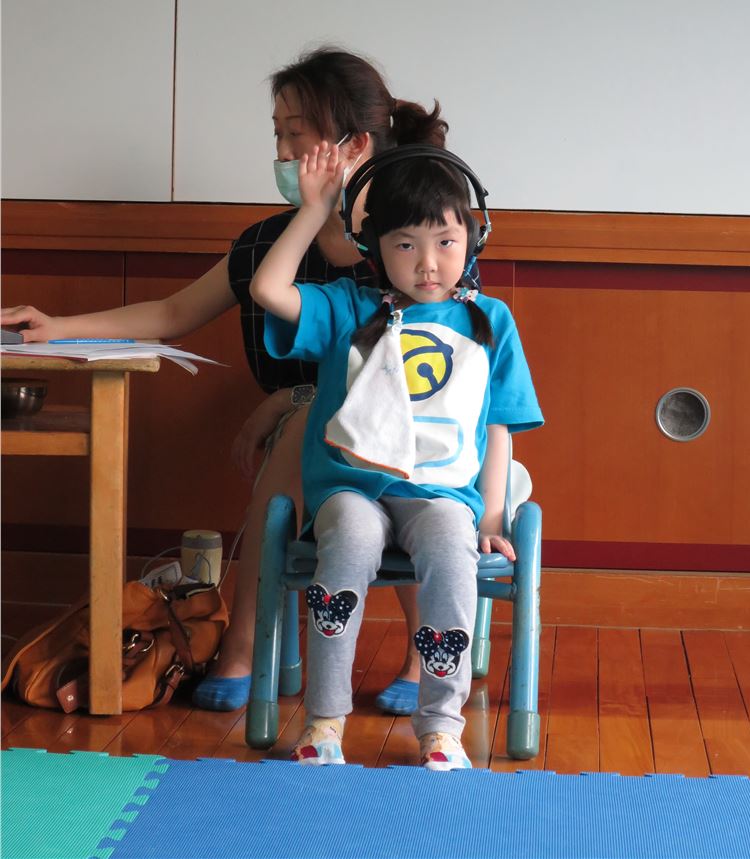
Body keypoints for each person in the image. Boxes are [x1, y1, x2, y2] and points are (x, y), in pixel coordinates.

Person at [0, 46, 453, 715]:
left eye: (296, 134)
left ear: (354, 146)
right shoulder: (266, 244)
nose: (281, 151)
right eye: (276, 134)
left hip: (410, 434)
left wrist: (293, 398)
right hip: (308, 444)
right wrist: (57, 325)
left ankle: (406, 652)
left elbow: (434, 357)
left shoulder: (416, 245)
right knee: (307, 424)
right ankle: (244, 647)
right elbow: (172, 313)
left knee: (333, 429)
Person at [249, 143, 543, 769]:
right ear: (374, 247)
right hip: (351, 489)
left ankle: (441, 728)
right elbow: (268, 289)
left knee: (452, 548)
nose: (428, 263)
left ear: (474, 239)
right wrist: (314, 211)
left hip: (443, 494)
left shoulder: (490, 321)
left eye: (445, 242)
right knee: (351, 538)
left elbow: (499, 426)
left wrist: (492, 515)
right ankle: (325, 721)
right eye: (405, 244)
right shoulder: (351, 308)